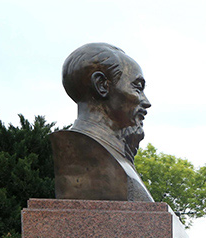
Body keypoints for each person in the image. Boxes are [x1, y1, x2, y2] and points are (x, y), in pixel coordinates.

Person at [52, 43, 154, 202]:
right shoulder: (83, 149)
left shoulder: (119, 154)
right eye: (137, 87)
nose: (146, 102)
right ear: (101, 85)